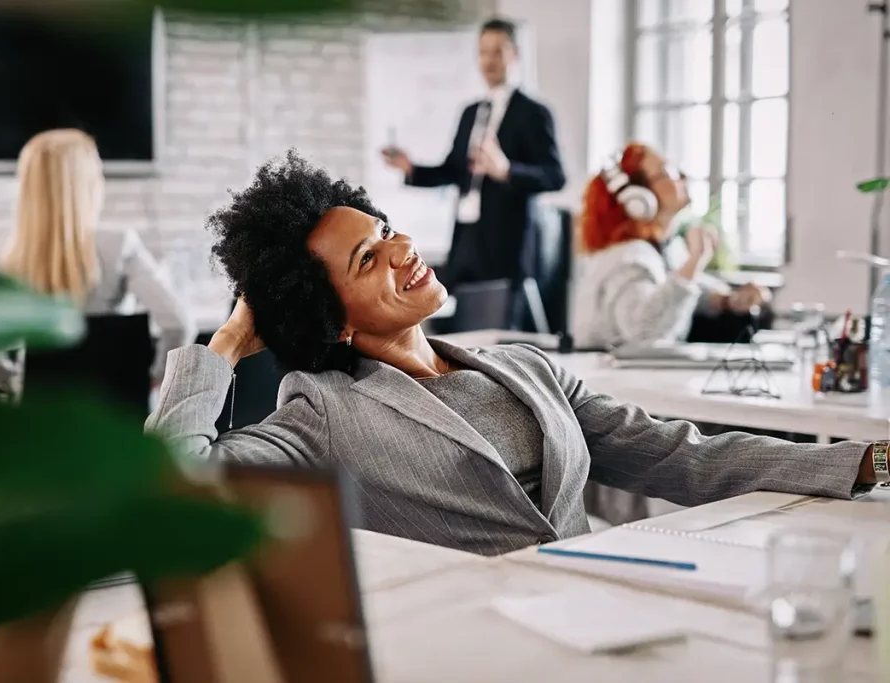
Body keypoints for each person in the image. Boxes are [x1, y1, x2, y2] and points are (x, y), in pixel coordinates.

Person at [144, 150, 881, 557]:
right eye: (368, 259)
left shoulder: (527, 367)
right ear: (330, 319)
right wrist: (228, 342)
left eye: (386, 229)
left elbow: (677, 455)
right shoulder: (323, 413)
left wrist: (868, 462)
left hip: (602, 609)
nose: (402, 248)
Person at [0, 129, 195, 393]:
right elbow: (178, 323)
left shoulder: (11, 259)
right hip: (117, 406)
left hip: (41, 405)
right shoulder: (119, 246)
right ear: (89, 184)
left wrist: (10, 379)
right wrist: (156, 378)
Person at [380, 17, 565, 327]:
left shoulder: (533, 113)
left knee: (499, 330)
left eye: (497, 52)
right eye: (483, 52)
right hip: (466, 238)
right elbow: (454, 171)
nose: (489, 61)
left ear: (514, 54)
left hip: (506, 244)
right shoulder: (470, 112)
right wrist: (411, 169)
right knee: (458, 328)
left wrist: (506, 170)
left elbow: (555, 176)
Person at [572, 142, 771, 349]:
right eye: (669, 171)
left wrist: (729, 299)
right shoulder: (628, 257)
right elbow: (643, 333)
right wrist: (693, 262)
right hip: (605, 369)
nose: (683, 176)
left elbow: (674, 295)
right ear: (637, 198)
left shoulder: (662, 249)